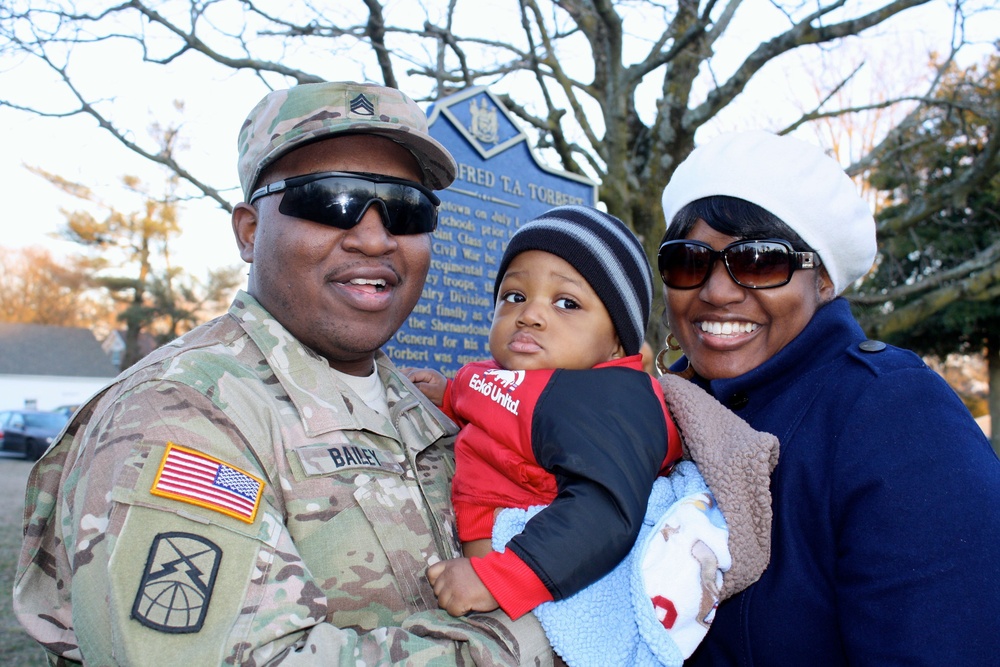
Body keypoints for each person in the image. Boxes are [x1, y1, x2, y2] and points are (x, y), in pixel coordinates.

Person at [14, 81, 554, 666]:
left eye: (406, 209)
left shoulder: (429, 411)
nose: (375, 237)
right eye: (329, 199)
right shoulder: (178, 416)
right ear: (249, 231)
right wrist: (548, 636)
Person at [654, 129, 1000, 665]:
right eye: (687, 261)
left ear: (825, 282)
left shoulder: (894, 415)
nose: (716, 291)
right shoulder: (658, 407)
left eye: (761, 261)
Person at [407, 206, 775, 666]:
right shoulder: (506, 373)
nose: (531, 315)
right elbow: (482, 392)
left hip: (534, 576)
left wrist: (500, 577)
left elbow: (602, 510)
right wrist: (445, 393)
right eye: (514, 295)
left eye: (567, 303)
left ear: (617, 343)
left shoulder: (605, 400)